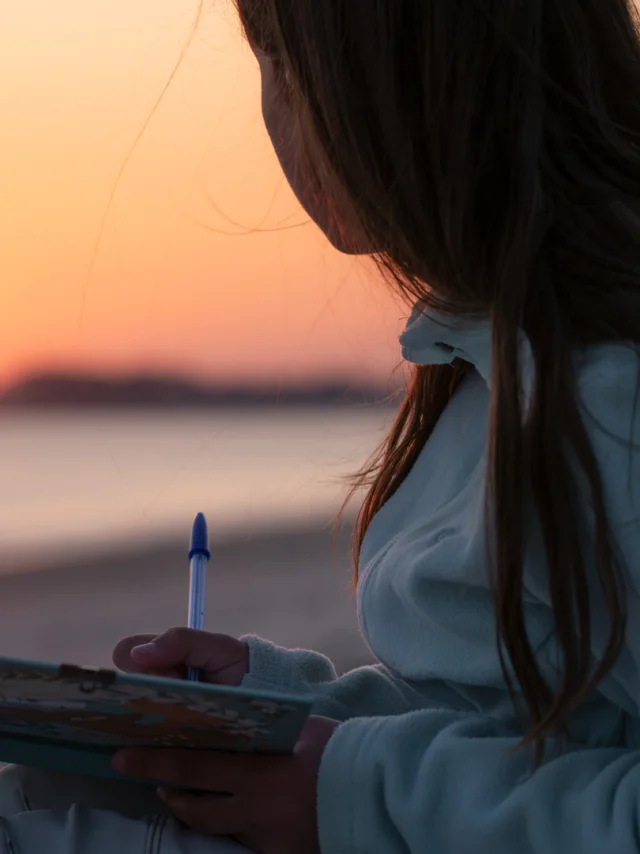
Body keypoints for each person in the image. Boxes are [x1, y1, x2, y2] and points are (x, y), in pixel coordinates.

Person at [3, 0, 640, 851]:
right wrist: (284, 709)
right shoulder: (490, 368)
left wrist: (352, 792)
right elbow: (529, 719)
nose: (269, 106)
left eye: (276, 57)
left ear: (393, 85)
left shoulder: (608, 405)